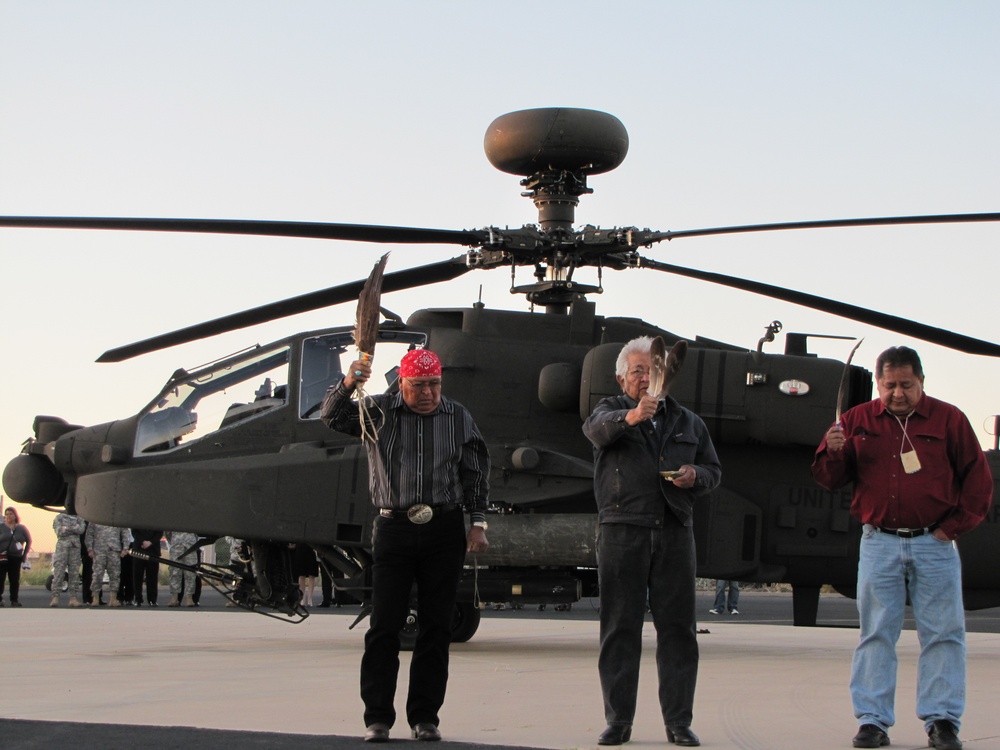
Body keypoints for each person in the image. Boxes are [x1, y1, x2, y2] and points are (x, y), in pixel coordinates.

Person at [812, 346, 993, 750]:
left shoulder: (951, 420)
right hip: (879, 544)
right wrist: (833, 449)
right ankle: (873, 722)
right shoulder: (856, 420)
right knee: (876, 633)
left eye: (906, 385)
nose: (897, 393)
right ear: (878, 383)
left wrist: (953, 528)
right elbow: (829, 480)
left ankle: (943, 721)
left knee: (944, 634)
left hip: (935, 543)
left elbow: (978, 481)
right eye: (889, 385)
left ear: (922, 382)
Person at [321, 348, 490, 743]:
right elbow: (331, 416)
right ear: (402, 384)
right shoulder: (378, 412)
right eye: (419, 386)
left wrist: (477, 523)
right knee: (384, 626)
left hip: (444, 527)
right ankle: (377, 718)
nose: (429, 393)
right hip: (394, 529)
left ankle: (425, 718)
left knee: (436, 627)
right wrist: (350, 382)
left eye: (435, 385)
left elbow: (476, 473)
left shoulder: (459, 417)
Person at [583, 336, 721, 748]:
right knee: (619, 629)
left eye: (654, 369)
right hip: (622, 531)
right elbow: (596, 432)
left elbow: (714, 470)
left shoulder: (689, 422)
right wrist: (633, 417)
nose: (647, 377)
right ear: (622, 376)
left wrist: (695, 476)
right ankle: (618, 721)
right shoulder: (608, 412)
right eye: (639, 370)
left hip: (675, 530)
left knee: (679, 631)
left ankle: (678, 722)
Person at [84, 523, 131, 607]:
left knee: (115, 575)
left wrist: (125, 547)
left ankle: (113, 599)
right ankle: (95, 598)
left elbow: (125, 532)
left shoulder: (116, 517)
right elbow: (89, 534)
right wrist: (89, 548)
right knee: (97, 574)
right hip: (99, 550)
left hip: (114, 550)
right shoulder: (96, 518)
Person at [50, 512, 87, 608]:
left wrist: (66, 528)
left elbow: (81, 529)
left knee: (74, 573)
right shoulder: (59, 517)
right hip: (62, 548)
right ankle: (55, 597)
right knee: (59, 572)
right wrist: (74, 527)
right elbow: (59, 531)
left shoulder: (79, 517)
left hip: (75, 548)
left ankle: (73, 598)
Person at [1, 506, 33, 607]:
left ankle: (14, 600)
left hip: (15, 557)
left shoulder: (21, 528)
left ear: (15, 515)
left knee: (14, 580)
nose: (8, 516)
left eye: (10, 514)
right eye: (6, 514)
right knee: (0, 578)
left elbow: (28, 540)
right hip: (2, 557)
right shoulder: (1, 527)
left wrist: (24, 554)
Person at [131, 528, 163, 607]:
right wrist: (142, 541)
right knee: (137, 576)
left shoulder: (157, 518)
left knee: (152, 577)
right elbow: (134, 531)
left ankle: (152, 600)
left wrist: (150, 542)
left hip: (153, 550)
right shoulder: (137, 516)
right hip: (139, 549)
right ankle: (138, 599)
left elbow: (160, 532)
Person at [166, 530, 199, 607]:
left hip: (190, 545)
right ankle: (174, 598)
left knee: (191, 572)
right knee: (174, 572)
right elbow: (168, 531)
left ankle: (189, 598)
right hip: (176, 544)